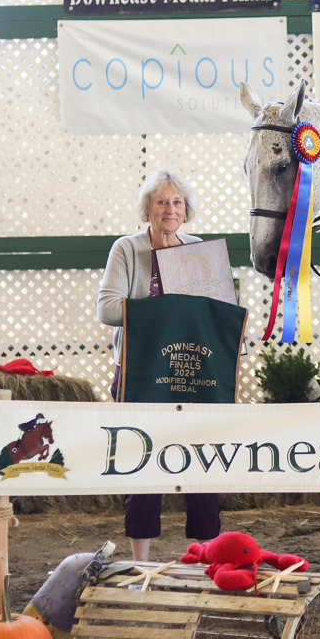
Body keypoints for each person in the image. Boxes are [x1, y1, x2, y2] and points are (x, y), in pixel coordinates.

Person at [96, 169, 220, 561]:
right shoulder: (127, 249)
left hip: (193, 370)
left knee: (202, 460)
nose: (170, 209)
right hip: (141, 371)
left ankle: (201, 559)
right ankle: (141, 564)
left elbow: (215, 311)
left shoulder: (199, 249)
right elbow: (107, 309)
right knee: (141, 460)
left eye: (177, 202)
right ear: (148, 207)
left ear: (186, 209)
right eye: (162, 201)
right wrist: (164, 310)